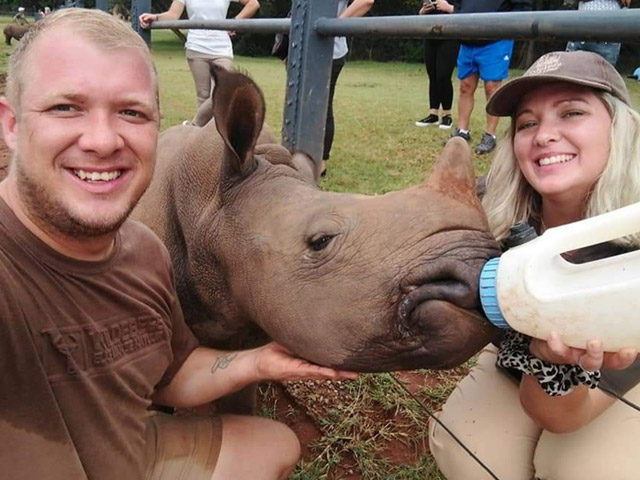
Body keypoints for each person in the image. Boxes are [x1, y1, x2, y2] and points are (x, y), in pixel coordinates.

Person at [0, 8, 357, 480]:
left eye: (131, 112)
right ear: (10, 123)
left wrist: (257, 362)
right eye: (66, 107)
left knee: (273, 444)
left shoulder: (145, 251)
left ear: (157, 128)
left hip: (128, 447)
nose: (103, 140)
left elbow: (174, 372)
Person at [429, 51, 640, 480]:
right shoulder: (495, 208)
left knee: (587, 470)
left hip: (625, 376)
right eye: (527, 123)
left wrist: (557, 363)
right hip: (527, 361)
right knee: (469, 456)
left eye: (572, 112)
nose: (544, 135)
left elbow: (564, 417)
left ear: (621, 129)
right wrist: (546, 358)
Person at [139, 0, 260, 125]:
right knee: (203, 97)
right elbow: (173, 15)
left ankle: (194, 126)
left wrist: (235, 21)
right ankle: (204, 137)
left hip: (221, 48)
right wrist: (156, 17)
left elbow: (253, 3)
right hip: (197, 47)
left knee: (221, 92)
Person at [449, 0, 533, 155]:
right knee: (465, 86)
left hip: (496, 41)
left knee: (492, 87)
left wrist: (504, 26)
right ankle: (462, 132)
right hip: (467, 41)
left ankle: (490, 135)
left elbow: (522, 8)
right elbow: (459, 5)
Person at [320, 0, 375, 176]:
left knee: (323, 104)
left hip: (330, 50)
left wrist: (335, 25)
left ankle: (321, 161)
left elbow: (366, 1)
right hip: (302, 48)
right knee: (301, 102)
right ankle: (299, 154)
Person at [414, 0, 459, 130]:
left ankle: (447, 115)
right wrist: (422, 12)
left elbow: (465, 11)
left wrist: (449, 8)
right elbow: (422, 14)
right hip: (431, 34)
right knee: (432, 75)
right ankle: (433, 114)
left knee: (443, 76)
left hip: (449, 35)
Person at [566, 0, 630, 66]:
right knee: (570, 71)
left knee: (604, 74)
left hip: (609, 34)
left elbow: (626, 2)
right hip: (581, 30)